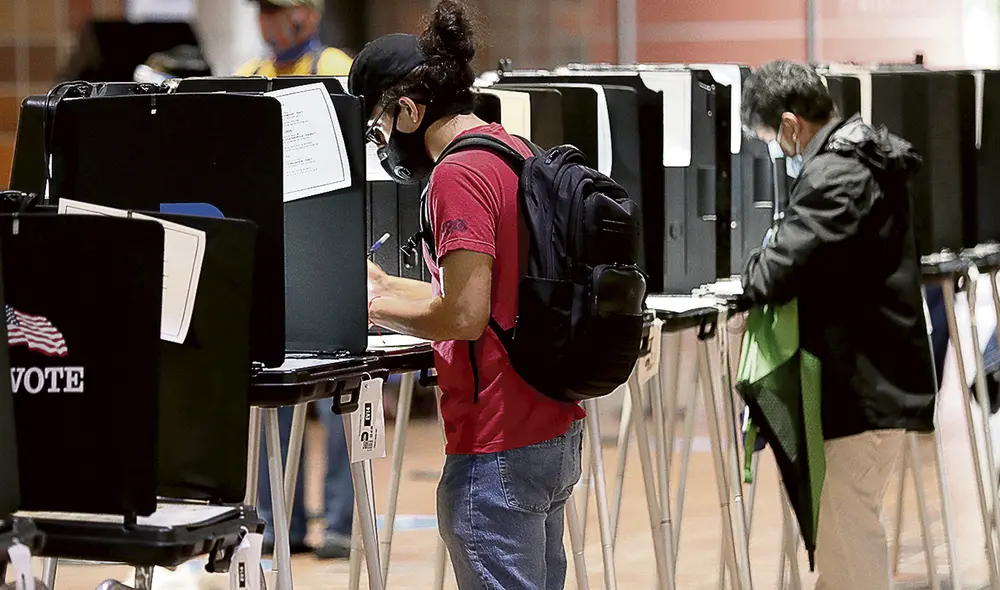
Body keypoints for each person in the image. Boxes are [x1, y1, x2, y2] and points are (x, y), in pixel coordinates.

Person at [349, 1, 585, 587]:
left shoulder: (455, 176)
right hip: (551, 425)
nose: (383, 143)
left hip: (496, 441)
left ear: (408, 109)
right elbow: (491, 285)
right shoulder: (511, 149)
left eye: (380, 126)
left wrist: (371, 308)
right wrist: (385, 284)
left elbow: (464, 313)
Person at [739, 60, 937, 590]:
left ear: (789, 125)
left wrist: (754, 263)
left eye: (772, 141)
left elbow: (776, 271)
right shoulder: (868, 155)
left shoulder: (837, 173)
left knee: (849, 551)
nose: (779, 154)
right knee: (847, 543)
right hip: (876, 380)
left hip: (857, 389)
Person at [237, 0, 355, 561]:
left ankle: (337, 524)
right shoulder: (246, 80)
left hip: (329, 257)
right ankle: (269, 522)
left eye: (279, 10)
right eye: (263, 11)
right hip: (271, 259)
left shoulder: (338, 68)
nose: (269, 22)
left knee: (338, 402)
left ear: (309, 14)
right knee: (269, 399)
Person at [236, 0, 353, 77]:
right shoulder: (249, 75)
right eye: (263, 8)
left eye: (275, 9)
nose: (267, 18)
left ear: (311, 15)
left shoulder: (335, 68)